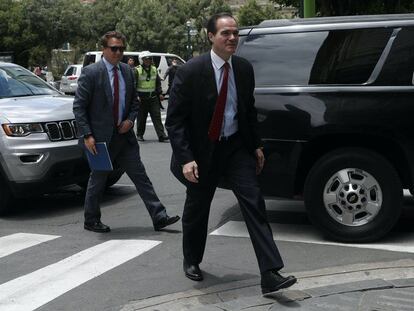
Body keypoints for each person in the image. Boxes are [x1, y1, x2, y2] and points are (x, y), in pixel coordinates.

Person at [166, 13, 296, 295]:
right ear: (210, 36)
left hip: (236, 149)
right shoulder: (190, 72)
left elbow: (247, 112)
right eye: (225, 33)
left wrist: (257, 145)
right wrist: (187, 158)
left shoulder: (244, 69)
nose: (232, 38)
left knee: (254, 204)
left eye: (235, 33)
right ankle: (192, 259)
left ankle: (270, 273)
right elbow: (174, 121)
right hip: (202, 153)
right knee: (197, 209)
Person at [73, 31, 179, 233]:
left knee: (141, 177)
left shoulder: (128, 72)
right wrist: (87, 135)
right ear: (104, 49)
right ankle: (91, 219)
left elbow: (134, 103)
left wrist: (130, 120)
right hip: (100, 139)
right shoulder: (91, 73)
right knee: (99, 178)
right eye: (114, 48)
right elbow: (79, 107)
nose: (118, 52)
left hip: (124, 137)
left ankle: (159, 216)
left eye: (121, 48)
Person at [135, 52, 169, 142]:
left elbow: (157, 82)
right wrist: (136, 96)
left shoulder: (154, 69)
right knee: (141, 118)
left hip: (153, 98)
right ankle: (139, 135)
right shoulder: (137, 70)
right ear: (141, 60)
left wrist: (160, 93)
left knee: (157, 117)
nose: (148, 61)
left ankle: (161, 135)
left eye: (149, 59)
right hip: (142, 99)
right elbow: (133, 84)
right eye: (146, 59)